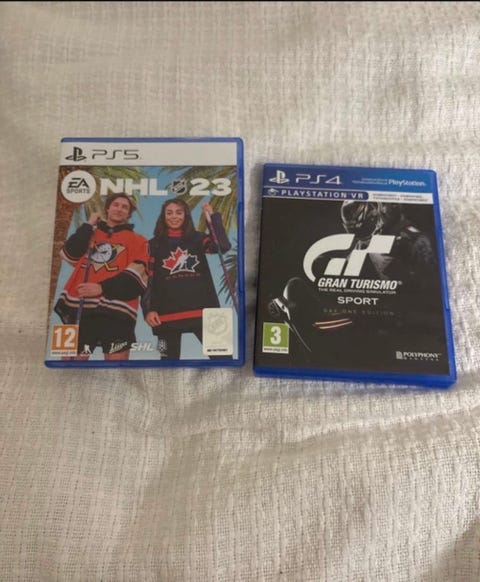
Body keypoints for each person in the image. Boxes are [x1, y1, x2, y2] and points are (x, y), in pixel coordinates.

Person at [54, 192, 149, 360]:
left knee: (117, 366)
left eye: (124, 207)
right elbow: (69, 254)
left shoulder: (139, 241)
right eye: (115, 205)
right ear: (107, 208)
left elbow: (138, 275)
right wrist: (89, 224)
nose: (119, 209)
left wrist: (101, 288)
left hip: (118, 311)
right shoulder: (88, 233)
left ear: (129, 213)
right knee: (69, 364)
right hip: (78, 306)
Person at [142, 198, 231, 359]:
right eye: (169, 213)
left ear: (186, 215)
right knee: (167, 365)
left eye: (179, 212)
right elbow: (148, 280)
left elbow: (222, 246)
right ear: (163, 216)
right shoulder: (153, 244)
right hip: (165, 315)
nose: (174, 216)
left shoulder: (197, 238)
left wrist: (213, 217)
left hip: (205, 312)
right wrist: (148, 310)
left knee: (224, 358)